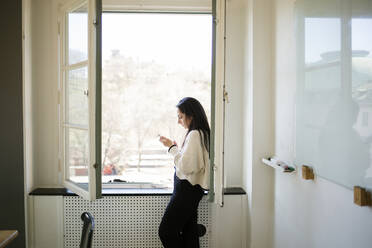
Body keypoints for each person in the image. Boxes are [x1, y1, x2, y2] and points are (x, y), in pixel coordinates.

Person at [158, 97, 210, 248]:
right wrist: (176, 148)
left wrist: (171, 148)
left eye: (180, 116)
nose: (179, 121)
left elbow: (186, 166)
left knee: (166, 231)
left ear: (191, 115)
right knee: (189, 232)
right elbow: (193, 162)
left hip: (186, 190)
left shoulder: (194, 135)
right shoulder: (202, 133)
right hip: (193, 190)